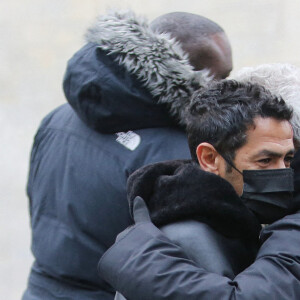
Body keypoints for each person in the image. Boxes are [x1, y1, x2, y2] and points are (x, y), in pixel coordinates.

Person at [22, 10, 233, 300]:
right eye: (220, 79)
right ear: (188, 75)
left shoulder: (56, 119)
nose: (225, 91)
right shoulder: (180, 153)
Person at [98, 80, 300, 299]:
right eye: (265, 160)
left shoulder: (247, 223)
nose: (282, 172)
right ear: (210, 158)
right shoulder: (183, 239)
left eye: (288, 159)